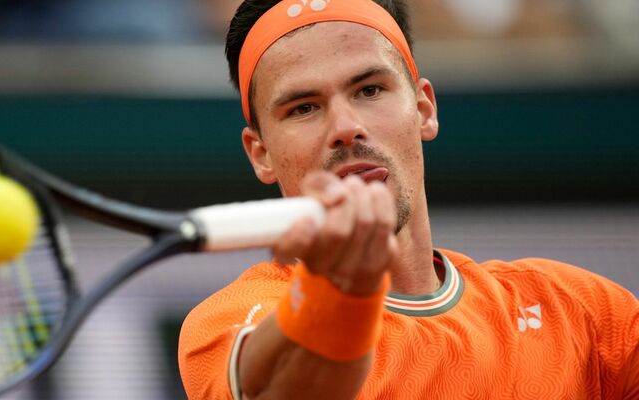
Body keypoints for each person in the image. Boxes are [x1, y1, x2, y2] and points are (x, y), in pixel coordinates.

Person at [177, 0, 639, 398]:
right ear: (261, 155)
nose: (346, 128)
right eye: (304, 108)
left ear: (423, 108)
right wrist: (335, 288)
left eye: (369, 89)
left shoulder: (583, 311)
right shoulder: (228, 321)